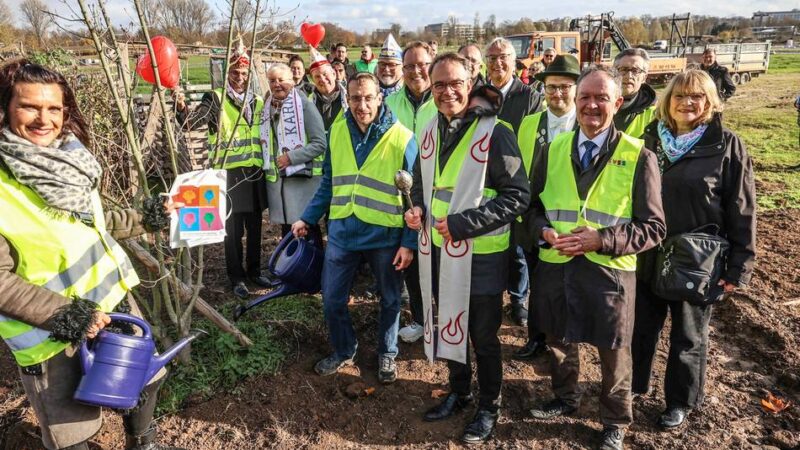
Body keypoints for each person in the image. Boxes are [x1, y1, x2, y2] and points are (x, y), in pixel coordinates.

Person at [0, 59, 181, 450]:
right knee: (72, 429)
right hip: (52, 333)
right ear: (5, 109)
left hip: (112, 305)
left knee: (145, 377)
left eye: (53, 109)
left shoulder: (65, 162)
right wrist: (69, 315)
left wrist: (147, 217)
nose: (43, 119)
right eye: (29, 107)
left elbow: (92, 223)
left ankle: (143, 443)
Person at [526, 66, 666, 450]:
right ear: (575, 99)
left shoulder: (639, 156)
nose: (591, 105)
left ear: (617, 103)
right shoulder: (553, 149)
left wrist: (601, 239)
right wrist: (543, 231)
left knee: (614, 350)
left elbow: (653, 228)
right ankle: (565, 397)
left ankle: (614, 420)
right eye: (584, 96)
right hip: (557, 266)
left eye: (601, 98)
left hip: (610, 273)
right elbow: (533, 207)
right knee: (557, 338)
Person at [406, 53, 529, 444]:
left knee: (482, 334)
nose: (447, 92)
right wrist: (418, 211)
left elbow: (517, 196)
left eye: (455, 82)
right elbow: (427, 187)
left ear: (471, 80)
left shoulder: (497, 131)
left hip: (483, 255)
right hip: (439, 251)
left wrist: (462, 224)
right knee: (449, 325)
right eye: (438, 84)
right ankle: (459, 391)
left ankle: (489, 405)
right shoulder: (428, 131)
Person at [631, 69, 756, 429]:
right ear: (668, 102)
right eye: (679, 96)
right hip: (649, 251)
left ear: (710, 102)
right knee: (641, 326)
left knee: (688, 335)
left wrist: (738, 268)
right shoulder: (649, 140)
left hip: (697, 258)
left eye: (696, 97)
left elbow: (742, 208)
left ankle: (680, 400)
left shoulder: (726, 145)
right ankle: (635, 385)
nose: (687, 103)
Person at [293, 72, 417, 383]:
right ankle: (344, 348)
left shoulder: (403, 138)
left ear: (380, 98)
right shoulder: (337, 131)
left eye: (368, 97)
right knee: (333, 298)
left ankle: (387, 354)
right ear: (347, 99)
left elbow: (414, 200)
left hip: (385, 235)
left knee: (390, 298)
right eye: (355, 98)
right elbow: (328, 183)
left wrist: (409, 242)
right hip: (343, 232)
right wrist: (307, 218)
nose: (361, 105)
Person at [175, 39, 269, 299]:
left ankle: (254, 271)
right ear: (227, 73)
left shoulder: (259, 101)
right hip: (229, 175)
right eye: (235, 72)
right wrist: (182, 108)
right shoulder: (215, 98)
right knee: (233, 232)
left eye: (244, 73)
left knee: (255, 228)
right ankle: (236, 277)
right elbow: (194, 121)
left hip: (254, 173)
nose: (240, 77)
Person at [513, 54, 581, 361]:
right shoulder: (529, 124)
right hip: (533, 214)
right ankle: (536, 337)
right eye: (552, 87)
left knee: (566, 287)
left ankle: (567, 342)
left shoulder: (586, 124)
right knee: (537, 283)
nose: (557, 94)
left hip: (570, 218)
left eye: (565, 87)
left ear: (576, 89)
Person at [485, 37, 544, 327]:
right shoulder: (480, 95)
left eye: (503, 57)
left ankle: (519, 299)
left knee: (518, 247)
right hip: (486, 179)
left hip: (517, 178)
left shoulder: (529, 96)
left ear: (513, 60)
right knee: (495, 244)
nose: (498, 63)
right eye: (492, 58)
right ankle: (494, 296)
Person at [385, 41, 438, 344]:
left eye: (422, 64)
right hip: (403, 195)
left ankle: (447, 323)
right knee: (412, 261)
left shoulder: (444, 99)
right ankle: (420, 319)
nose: (416, 71)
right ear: (401, 70)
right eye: (409, 66)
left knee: (441, 262)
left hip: (439, 191)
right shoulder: (391, 103)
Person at [262, 64, 327, 248]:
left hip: (302, 182)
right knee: (288, 233)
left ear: (291, 81)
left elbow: (320, 143)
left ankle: (312, 273)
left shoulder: (304, 105)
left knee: (307, 231)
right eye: (272, 80)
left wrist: (292, 157)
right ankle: (292, 272)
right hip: (281, 183)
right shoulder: (268, 107)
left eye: (281, 80)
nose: (277, 84)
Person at [613, 48, 657, 138]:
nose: (629, 76)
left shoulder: (655, 115)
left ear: (644, 78)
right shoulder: (596, 103)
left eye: (635, 71)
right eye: (623, 69)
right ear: (613, 72)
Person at [307, 47, 348, 132]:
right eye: (317, 76)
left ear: (333, 74)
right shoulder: (307, 104)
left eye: (325, 74)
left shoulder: (349, 98)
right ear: (312, 80)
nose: (322, 79)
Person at [377, 33, 404, 98]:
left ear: (402, 67)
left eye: (392, 65)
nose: (386, 69)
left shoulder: (411, 93)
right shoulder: (368, 90)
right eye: (382, 64)